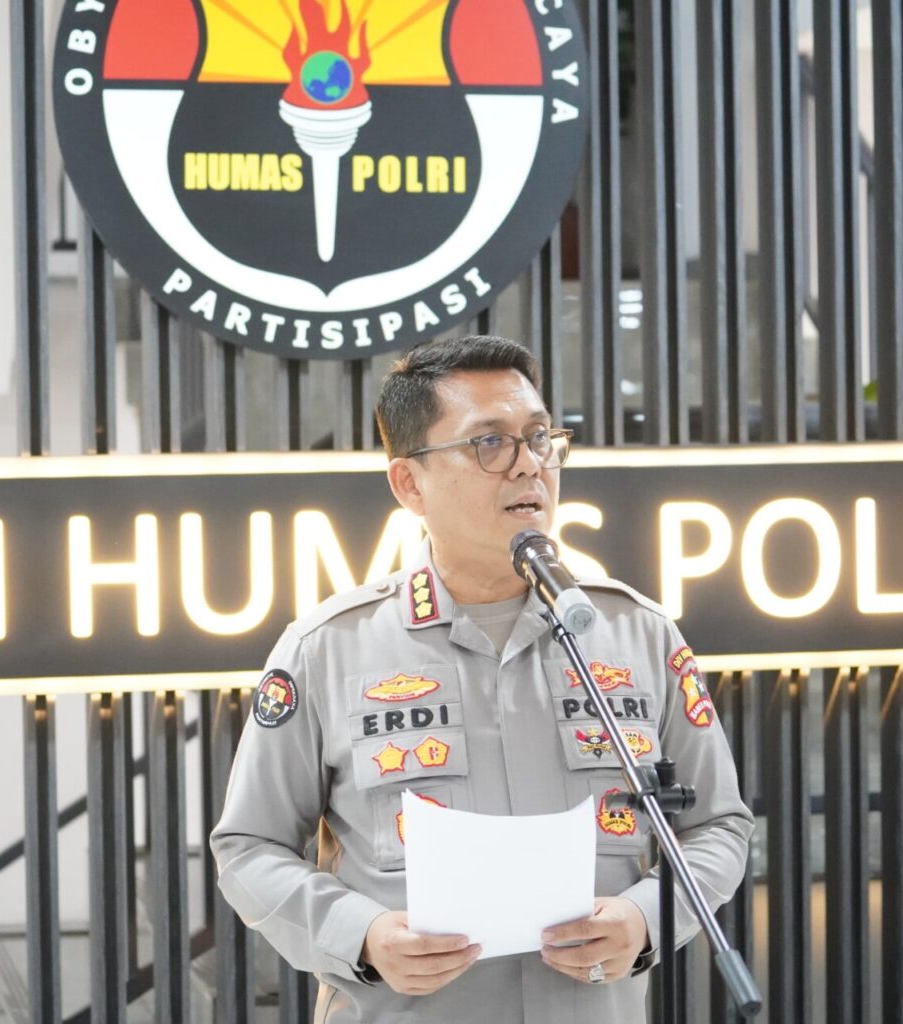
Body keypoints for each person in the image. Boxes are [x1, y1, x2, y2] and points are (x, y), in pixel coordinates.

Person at [210, 335, 754, 1021]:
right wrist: (362, 935)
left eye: (540, 438)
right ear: (410, 484)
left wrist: (646, 918)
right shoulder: (329, 647)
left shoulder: (634, 632)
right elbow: (248, 847)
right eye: (489, 443)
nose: (528, 464)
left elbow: (719, 825)